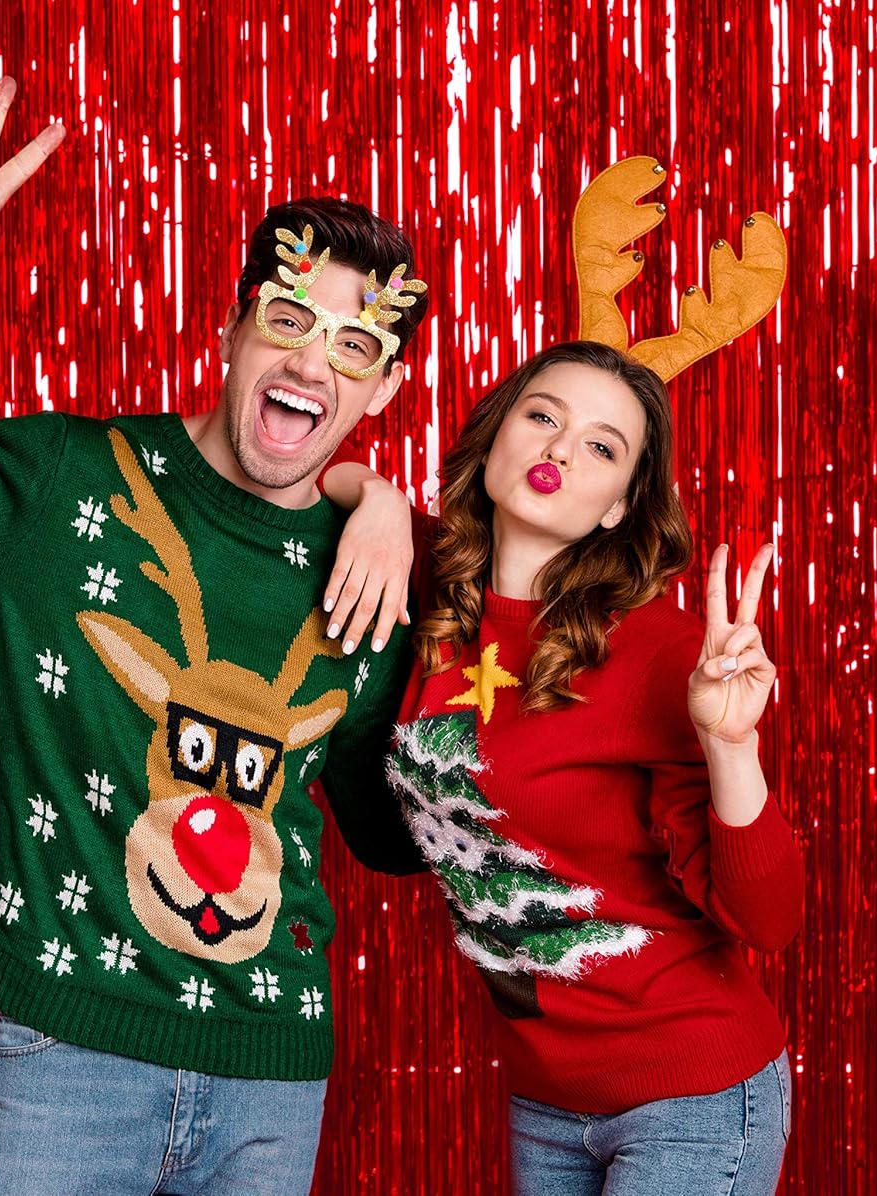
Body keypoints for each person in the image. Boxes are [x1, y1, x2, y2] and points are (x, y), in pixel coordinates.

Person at [0, 77, 429, 1194]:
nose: (307, 365)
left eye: (351, 347)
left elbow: (384, 832)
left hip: (271, 1077)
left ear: (385, 385)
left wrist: (453, 619)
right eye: (288, 322)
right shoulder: (60, 485)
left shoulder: (379, 566)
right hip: (64, 1061)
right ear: (233, 325)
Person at [323, 339, 803, 1194]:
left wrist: (733, 748)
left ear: (620, 506)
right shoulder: (431, 584)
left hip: (689, 1094)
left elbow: (766, 919)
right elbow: (326, 473)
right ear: (498, 432)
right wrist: (380, 500)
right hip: (545, 1100)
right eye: (543, 416)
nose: (559, 450)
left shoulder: (661, 652)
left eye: (601, 446)